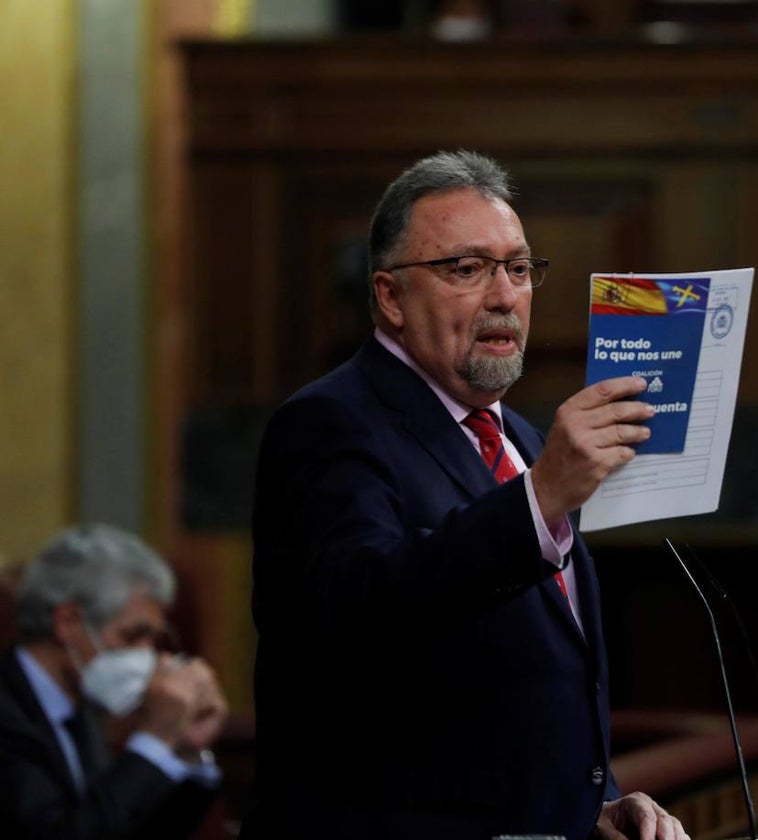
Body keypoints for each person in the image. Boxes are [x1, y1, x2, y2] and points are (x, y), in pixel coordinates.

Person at [245, 150, 689, 840]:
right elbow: (364, 612)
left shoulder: (522, 440)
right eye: (466, 269)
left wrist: (591, 809)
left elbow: (518, 678)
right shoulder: (329, 423)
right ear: (390, 297)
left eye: (518, 268)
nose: (505, 296)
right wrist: (539, 500)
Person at [0, 523, 228, 840]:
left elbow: (127, 829)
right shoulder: (9, 713)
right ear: (68, 623)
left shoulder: (81, 710)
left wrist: (182, 749)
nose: (148, 656)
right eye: (133, 636)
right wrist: (155, 737)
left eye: (153, 639)